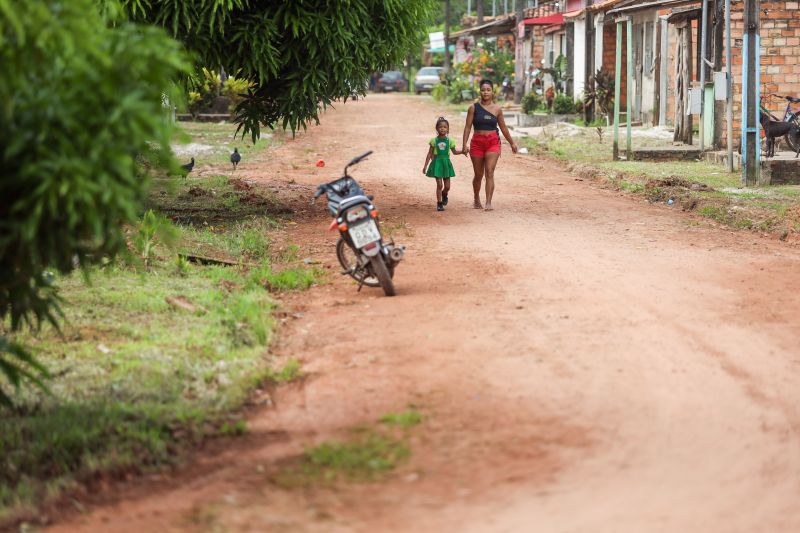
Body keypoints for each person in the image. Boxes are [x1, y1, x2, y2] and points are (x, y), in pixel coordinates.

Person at [462, 79, 518, 211]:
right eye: (483, 90)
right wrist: (464, 144)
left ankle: (488, 202)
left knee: (490, 172)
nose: (485, 92)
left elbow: (503, 128)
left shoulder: (497, 109)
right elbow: (467, 127)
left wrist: (512, 143)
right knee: (478, 174)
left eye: (488, 90)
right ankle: (476, 198)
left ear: (492, 92)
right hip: (477, 143)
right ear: (480, 91)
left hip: (493, 142)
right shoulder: (473, 108)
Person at [422, 117, 464, 211]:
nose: (443, 129)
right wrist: (425, 166)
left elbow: (454, 152)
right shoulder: (434, 141)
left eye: (445, 127)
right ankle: (439, 203)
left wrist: (463, 151)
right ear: (437, 129)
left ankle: (445, 194)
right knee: (439, 184)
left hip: (446, 164)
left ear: (448, 129)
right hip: (437, 163)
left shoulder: (450, 141)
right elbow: (429, 154)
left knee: (447, 186)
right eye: (440, 127)